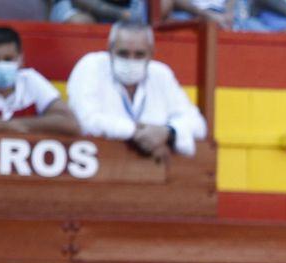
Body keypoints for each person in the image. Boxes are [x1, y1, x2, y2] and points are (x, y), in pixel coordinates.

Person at [66, 22, 208, 160]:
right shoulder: (91, 66)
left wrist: (167, 132)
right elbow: (85, 121)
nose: (131, 60)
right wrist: (141, 134)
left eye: (139, 54)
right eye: (123, 53)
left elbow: (198, 125)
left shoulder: (161, 74)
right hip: (98, 168)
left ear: (151, 54)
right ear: (109, 50)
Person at [0, 25, 81, 135]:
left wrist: (11, 125)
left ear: (20, 59)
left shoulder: (30, 80)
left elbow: (70, 123)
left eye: (8, 59)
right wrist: (11, 126)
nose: (1, 64)